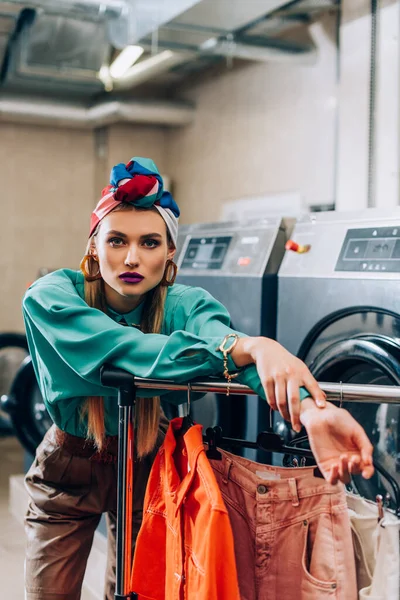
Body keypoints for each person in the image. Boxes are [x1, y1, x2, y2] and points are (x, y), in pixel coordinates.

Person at [22, 156, 374, 600]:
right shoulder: (51, 297)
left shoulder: (184, 305)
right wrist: (244, 345)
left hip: (148, 459)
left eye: (150, 243)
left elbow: (235, 355)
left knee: (139, 591)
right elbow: (121, 351)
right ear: (94, 246)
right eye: (116, 240)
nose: (132, 257)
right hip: (67, 465)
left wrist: (311, 410)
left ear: (171, 251)